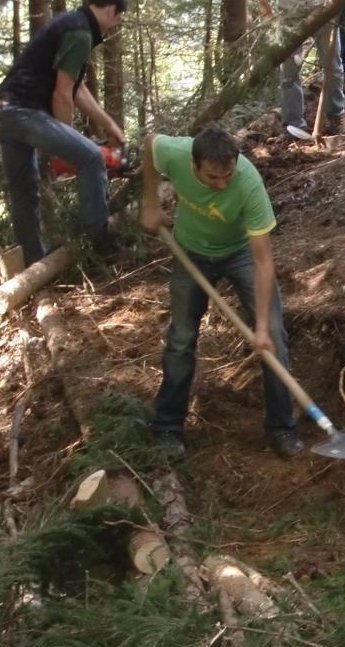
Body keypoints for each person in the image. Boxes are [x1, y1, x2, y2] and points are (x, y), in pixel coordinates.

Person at [140, 124, 304, 459]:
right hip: (191, 253)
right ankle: (168, 427)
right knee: (181, 339)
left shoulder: (248, 184)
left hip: (240, 253)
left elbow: (262, 261)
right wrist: (151, 202)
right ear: (193, 165)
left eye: (227, 175)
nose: (222, 184)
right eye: (213, 177)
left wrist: (259, 327)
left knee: (273, 333)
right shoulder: (174, 153)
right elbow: (149, 144)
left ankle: (281, 428)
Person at [0, 0, 127, 265]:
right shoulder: (80, 32)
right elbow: (62, 94)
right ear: (111, 10)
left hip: (7, 109)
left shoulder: (74, 23)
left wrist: (110, 124)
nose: (114, 25)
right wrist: (68, 146)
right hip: (23, 110)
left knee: (24, 188)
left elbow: (76, 88)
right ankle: (99, 246)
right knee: (91, 157)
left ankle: (35, 264)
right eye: (117, 19)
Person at [259, 0, 345, 136]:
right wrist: (268, 15)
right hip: (288, 10)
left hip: (322, 6)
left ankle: (336, 115)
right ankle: (293, 124)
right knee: (288, 72)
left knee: (333, 66)